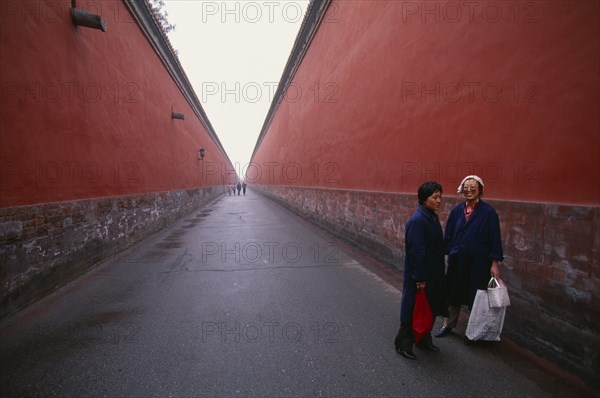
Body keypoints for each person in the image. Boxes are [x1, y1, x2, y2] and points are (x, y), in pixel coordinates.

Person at [435, 175, 504, 342]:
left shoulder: (489, 213)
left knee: (476, 296)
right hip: (458, 261)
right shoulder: (456, 211)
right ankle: (448, 324)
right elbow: (449, 235)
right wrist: (449, 251)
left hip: (478, 263)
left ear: (480, 190)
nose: (469, 190)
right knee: (453, 293)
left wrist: (494, 263)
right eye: (466, 187)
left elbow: (495, 238)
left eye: (473, 187)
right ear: (462, 190)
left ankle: (474, 331)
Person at [394, 181, 447, 360]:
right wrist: (419, 277)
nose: (439, 200)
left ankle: (424, 339)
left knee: (429, 308)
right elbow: (416, 251)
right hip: (419, 275)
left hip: (432, 273)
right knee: (412, 309)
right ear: (424, 199)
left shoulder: (431, 216)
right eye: (435, 197)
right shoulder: (417, 220)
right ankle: (403, 344)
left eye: (440, 197)